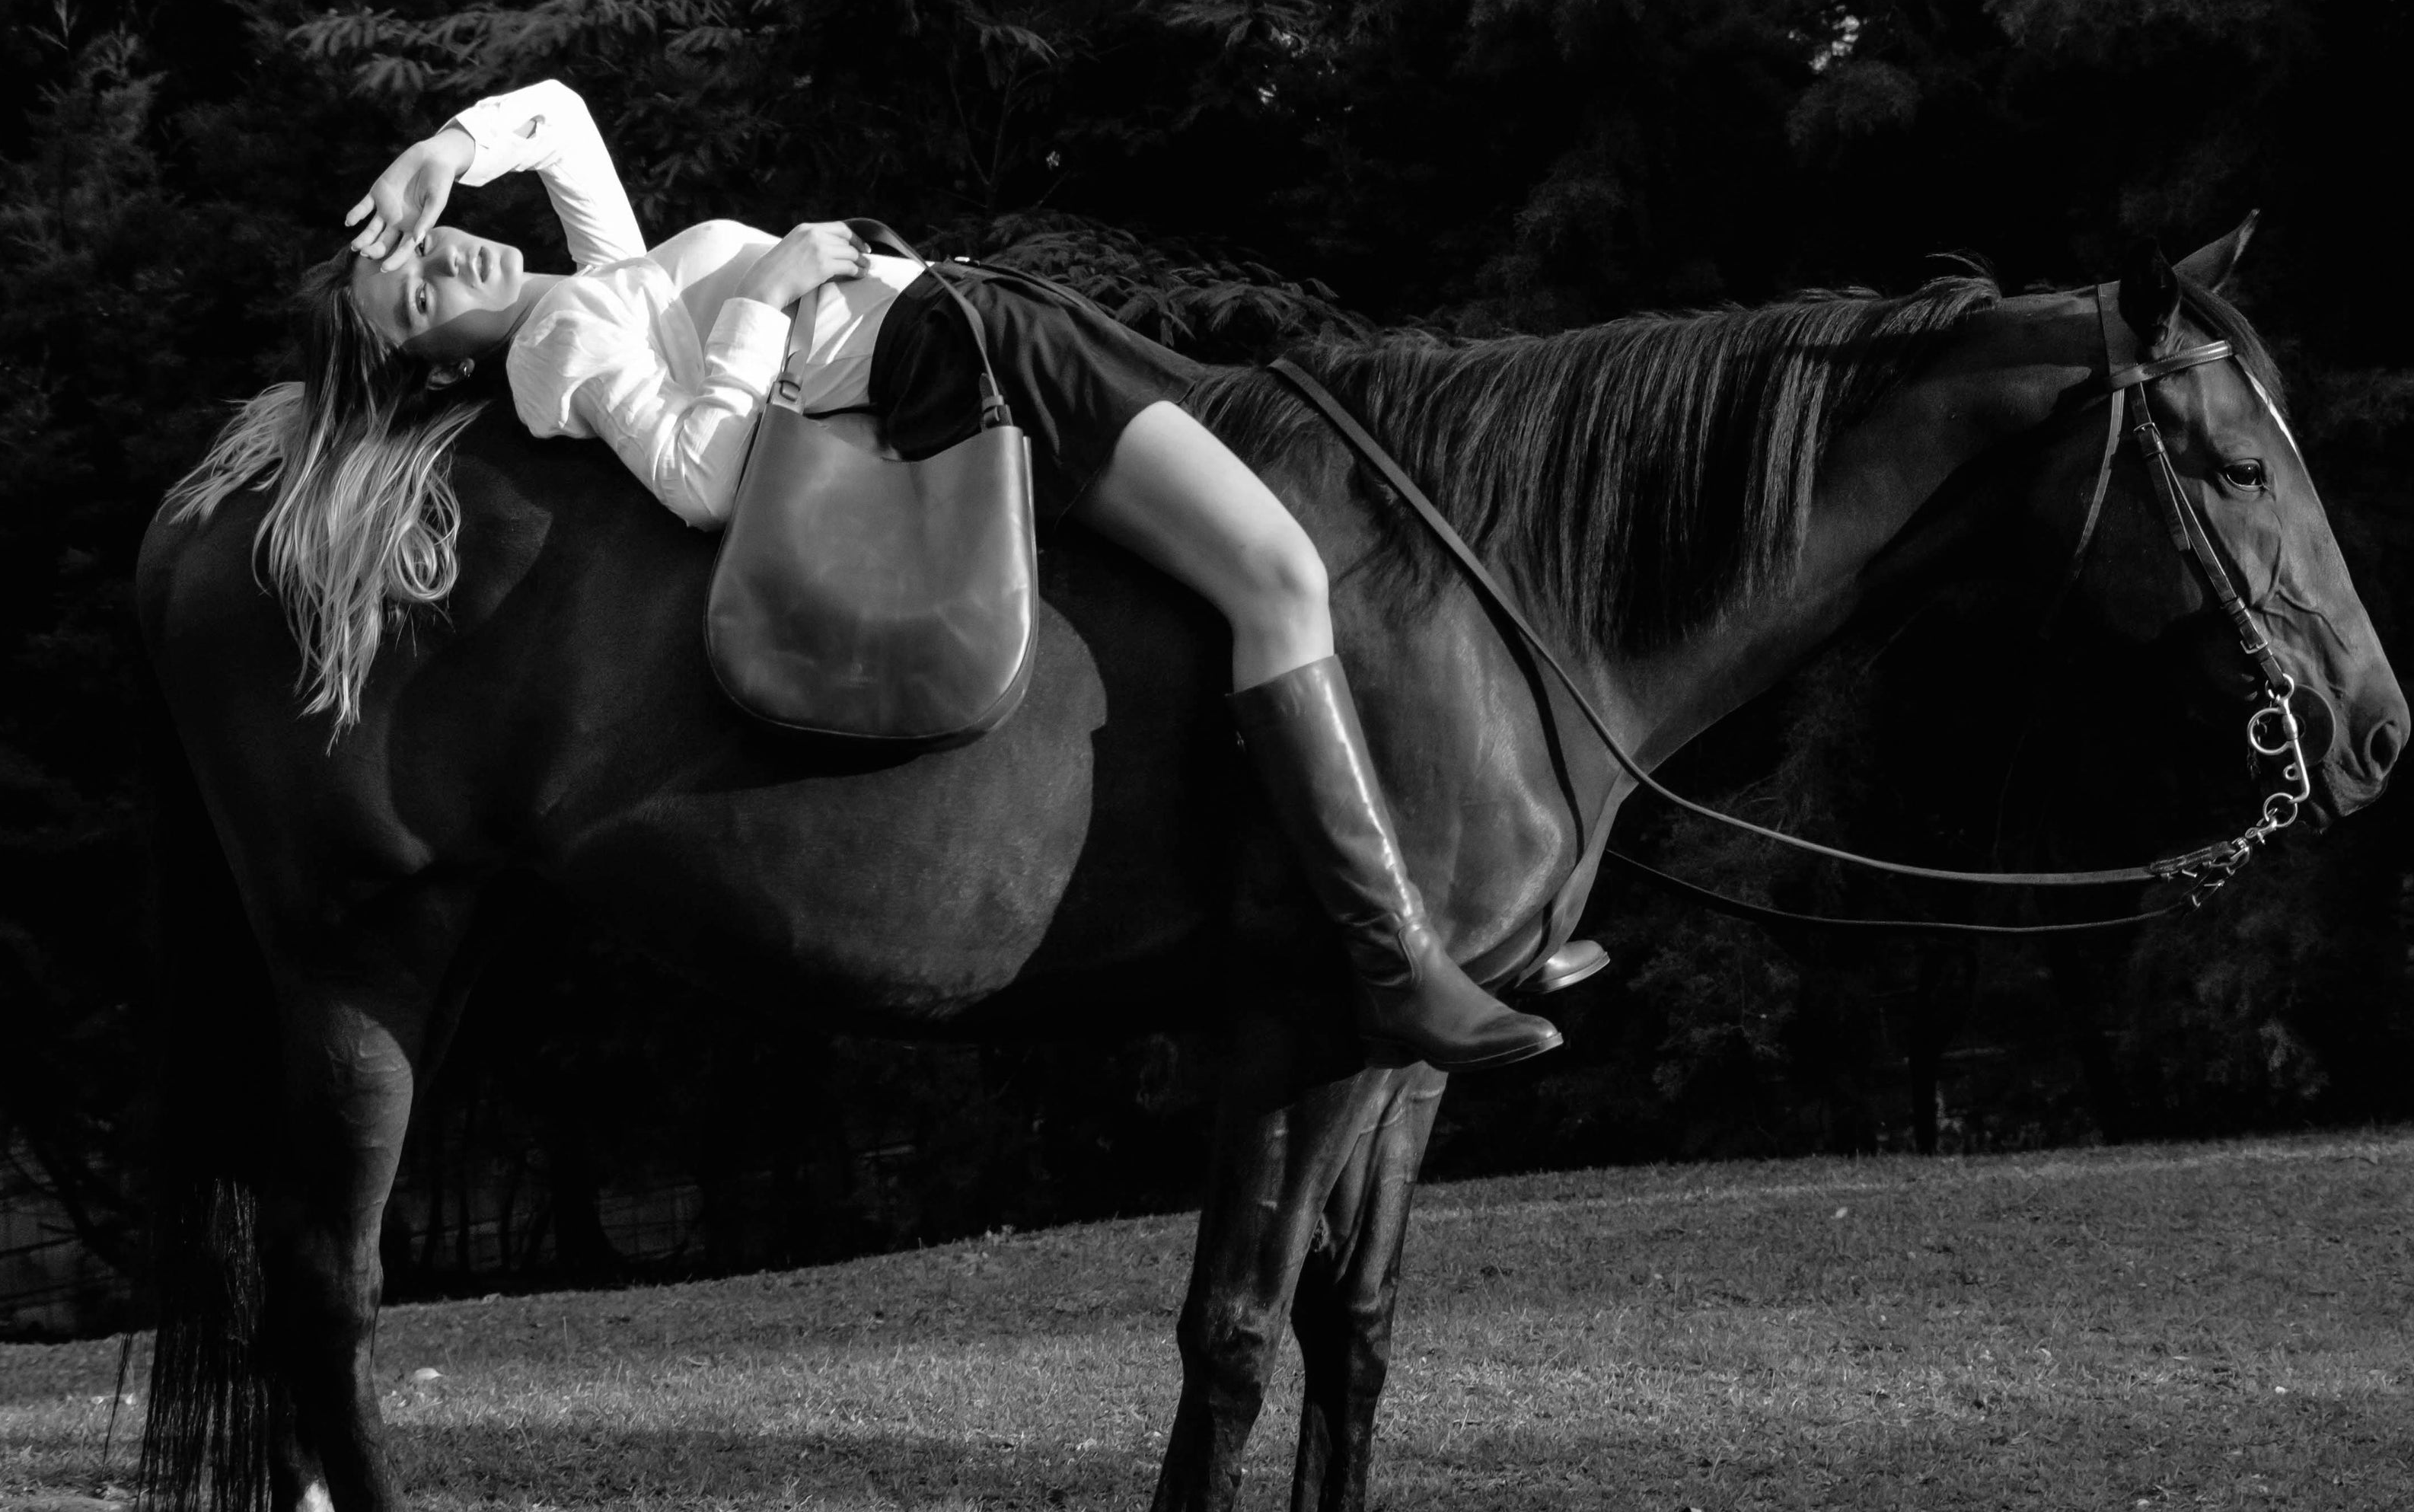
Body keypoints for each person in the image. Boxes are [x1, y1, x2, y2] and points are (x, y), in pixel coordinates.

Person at [312, 79, 1559, 1073]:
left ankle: (1438, 925)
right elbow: (703, 475)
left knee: (1256, 569)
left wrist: (446, 148)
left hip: (991, 326)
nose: (443, 264)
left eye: (420, 245)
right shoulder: (554, 349)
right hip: (963, 355)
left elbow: (563, 121)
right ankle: (1399, 965)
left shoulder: (598, 282)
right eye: (414, 301)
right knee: (1281, 574)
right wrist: (770, 291)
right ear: (438, 365)